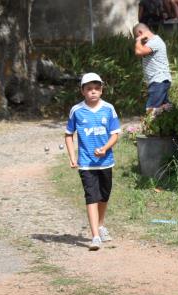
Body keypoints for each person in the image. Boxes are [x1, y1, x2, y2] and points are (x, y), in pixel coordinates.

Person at [64, 73, 121, 251]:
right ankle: (95, 236)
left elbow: (115, 134)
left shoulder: (109, 109)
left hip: (106, 162)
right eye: (89, 89)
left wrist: (105, 148)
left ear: (102, 90)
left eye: (96, 88)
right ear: (82, 91)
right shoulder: (77, 111)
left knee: (104, 196)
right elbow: (68, 135)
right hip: (86, 163)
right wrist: (73, 157)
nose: (93, 92)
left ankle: (101, 226)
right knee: (91, 196)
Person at [133, 23, 173, 114]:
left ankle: (150, 126)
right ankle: (168, 110)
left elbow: (138, 52)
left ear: (140, 32)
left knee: (150, 110)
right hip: (160, 80)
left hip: (158, 80)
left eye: (136, 36)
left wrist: (138, 40)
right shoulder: (152, 42)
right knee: (165, 109)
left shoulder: (154, 41)